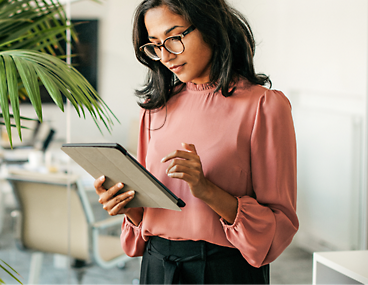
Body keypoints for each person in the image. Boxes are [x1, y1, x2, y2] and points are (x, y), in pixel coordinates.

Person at [93, 0, 298, 284]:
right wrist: (127, 205)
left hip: (224, 270)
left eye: (174, 37)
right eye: (155, 44)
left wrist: (205, 189)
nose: (165, 55)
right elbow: (149, 217)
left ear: (210, 27)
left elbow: (280, 224)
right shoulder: (154, 107)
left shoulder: (264, 106)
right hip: (156, 265)